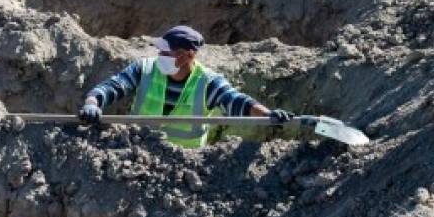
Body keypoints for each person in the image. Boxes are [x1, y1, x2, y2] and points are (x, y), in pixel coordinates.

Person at [78, 26, 293, 149]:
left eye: (166, 53)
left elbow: (236, 101)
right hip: (137, 155)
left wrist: (268, 114)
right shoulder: (145, 69)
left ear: (187, 55)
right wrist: (92, 103)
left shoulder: (207, 81)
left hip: (184, 165)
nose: (160, 56)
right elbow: (114, 86)